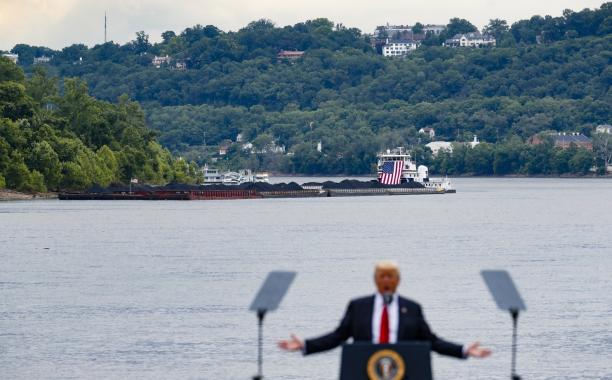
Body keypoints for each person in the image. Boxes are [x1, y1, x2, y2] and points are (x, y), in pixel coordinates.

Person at [278, 260, 491, 358]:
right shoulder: (358, 306)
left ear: (398, 280)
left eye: (391, 276)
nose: (387, 280)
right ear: (375, 280)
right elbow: (337, 337)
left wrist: (463, 350)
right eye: (382, 276)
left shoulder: (412, 308)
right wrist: (305, 345)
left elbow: (432, 341)